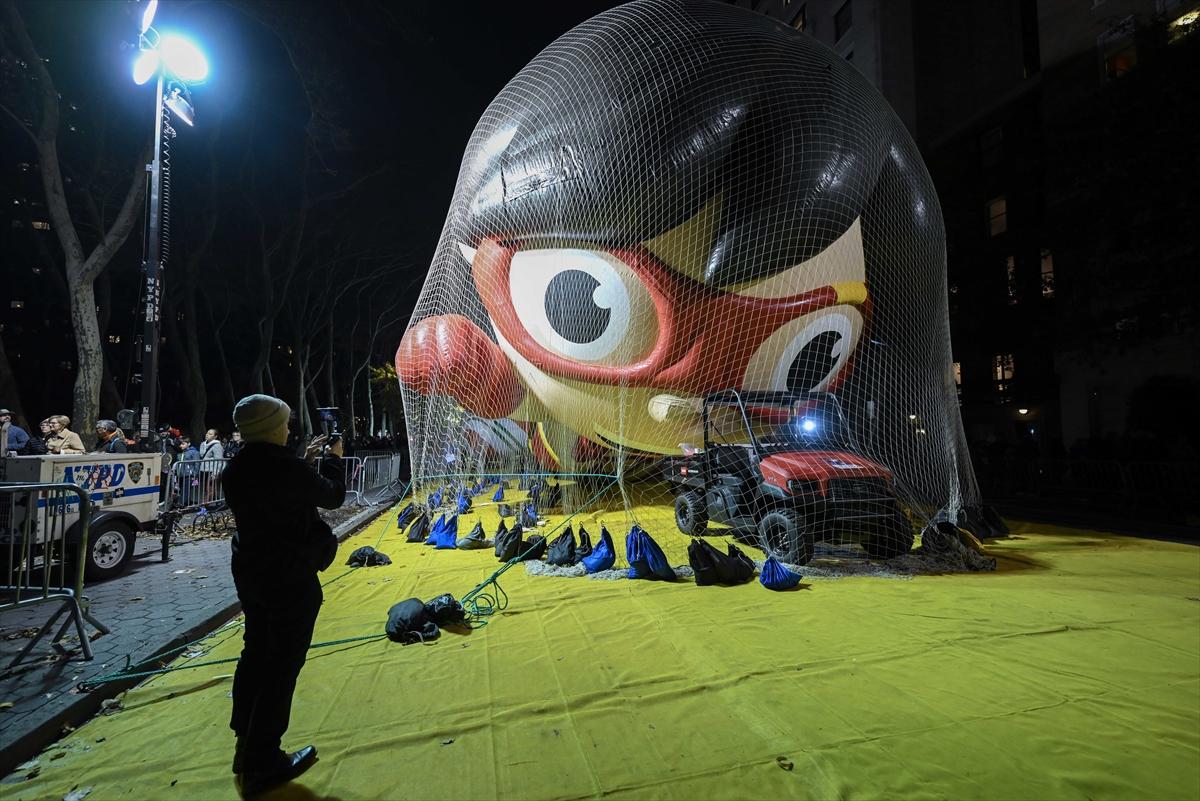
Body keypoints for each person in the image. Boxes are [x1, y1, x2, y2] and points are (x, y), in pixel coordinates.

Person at [221, 394, 344, 796]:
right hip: (288, 576)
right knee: (282, 665)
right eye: (284, 423)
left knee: (256, 652)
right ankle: (264, 760)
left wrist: (303, 462)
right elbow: (332, 495)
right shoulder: (284, 468)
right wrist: (333, 459)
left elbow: (279, 493)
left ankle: (245, 744)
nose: (288, 429)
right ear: (272, 426)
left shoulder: (237, 467)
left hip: (252, 572)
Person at [199, 428, 225, 503]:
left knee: (210, 488)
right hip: (203, 470)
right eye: (207, 433)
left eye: (210, 434)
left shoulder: (217, 445)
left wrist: (215, 472)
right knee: (206, 488)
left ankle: (205, 505)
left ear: (215, 436)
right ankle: (215, 502)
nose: (207, 435)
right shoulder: (202, 444)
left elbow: (219, 460)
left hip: (212, 470)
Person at [177, 435, 201, 507]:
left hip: (189, 474)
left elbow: (197, 463)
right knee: (182, 489)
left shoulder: (194, 452)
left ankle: (181, 504)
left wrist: (195, 474)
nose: (181, 446)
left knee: (185, 489)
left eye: (183, 444)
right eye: (180, 444)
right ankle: (185, 502)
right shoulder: (182, 452)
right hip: (181, 474)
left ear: (189, 444)